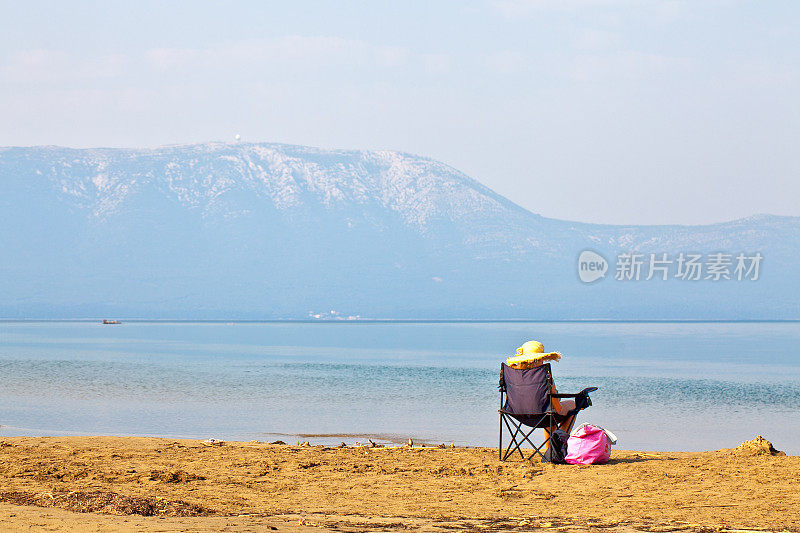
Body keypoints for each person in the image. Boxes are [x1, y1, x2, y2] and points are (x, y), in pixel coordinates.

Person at [506, 340, 578, 436]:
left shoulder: (513, 375)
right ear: (540, 358)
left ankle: (552, 447)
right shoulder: (544, 376)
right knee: (571, 405)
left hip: (518, 414)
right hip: (544, 415)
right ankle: (559, 441)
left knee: (548, 410)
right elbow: (558, 408)